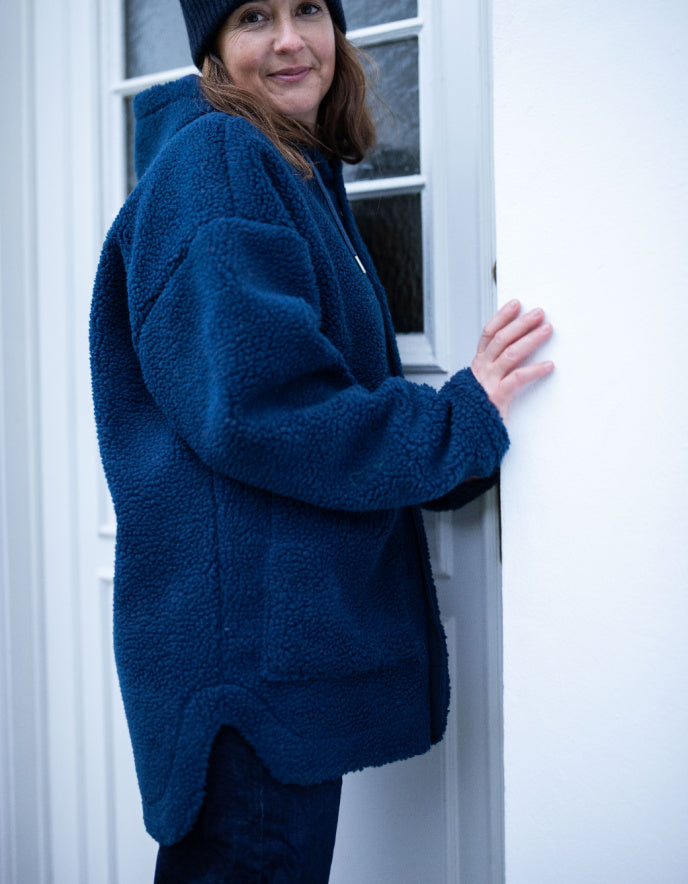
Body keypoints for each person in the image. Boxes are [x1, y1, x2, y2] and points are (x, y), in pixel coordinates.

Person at [89, 0, 554, 880]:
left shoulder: (288, 170)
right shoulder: (222, 161)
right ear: (214, 49)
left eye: (310, 9)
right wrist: (459, 417)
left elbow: (307, 395)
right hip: (250, 671)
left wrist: (455, 448)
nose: (292, 39)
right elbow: (266, 408)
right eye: (255, 16)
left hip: (261, 661)